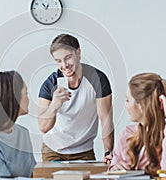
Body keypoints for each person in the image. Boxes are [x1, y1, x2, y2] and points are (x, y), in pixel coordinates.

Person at [38, 33, 114, 162]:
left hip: (84, 151)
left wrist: (108, 152)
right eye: (58, 61)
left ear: (78, 52)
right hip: (53, 150)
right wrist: (55, 104)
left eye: (68, 58)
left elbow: (106, 119)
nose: (64, 65)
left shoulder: (97, 79)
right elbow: (43, 127)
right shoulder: (50, 84)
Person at [109, 73, 166, 175]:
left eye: (128, 100)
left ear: (142, 105)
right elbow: (112, 170)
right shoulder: (126, 134)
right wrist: (114, 169)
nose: (126, 106)